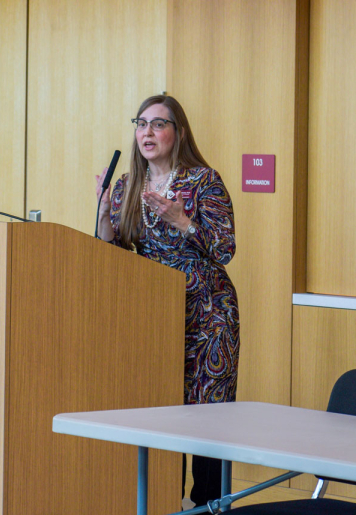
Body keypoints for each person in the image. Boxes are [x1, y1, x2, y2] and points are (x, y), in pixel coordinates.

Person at [95, 95, 240, 507]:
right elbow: (118, 258)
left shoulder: (204, 181)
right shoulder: (126, 186)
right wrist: (105, 217)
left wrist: (184, 222)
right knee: (164, 413)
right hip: (157, 315)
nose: (147, 132)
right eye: (141, 124)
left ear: (178, 133)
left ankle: (211, 505)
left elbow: (225, 249)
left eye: (159, 124)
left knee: (209, 419)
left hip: (209, 316)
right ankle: (163, 501)